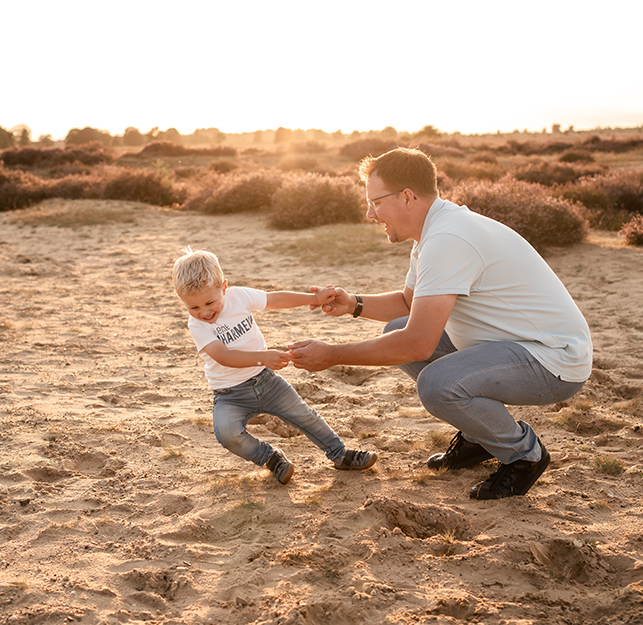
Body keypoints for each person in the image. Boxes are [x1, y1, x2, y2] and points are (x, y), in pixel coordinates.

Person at [288, 147, 592, 500]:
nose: (370, 213)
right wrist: (353, 304)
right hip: (513, 344)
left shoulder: (448, 239)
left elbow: (418, 344)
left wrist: (333, 355)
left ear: (407, 197)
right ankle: (480, 439)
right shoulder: (434, 231)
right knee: (395, 329)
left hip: (554, 360)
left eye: (376, 202)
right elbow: (407, 303)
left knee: (437, 384)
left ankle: (525, 454)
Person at [172, 247, 378, 485]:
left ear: (224, 288)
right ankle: (271, 458)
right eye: (194, 308)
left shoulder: (238, 297)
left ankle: (340, 454)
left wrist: (314, 298)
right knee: (227, 434)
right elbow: (223, 356)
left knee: (305, 416)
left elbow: (275, 299)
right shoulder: (197, 326)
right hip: (230, 395)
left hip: (266, 381)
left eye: (210, 302)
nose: (204, 312)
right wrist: (262, 356)